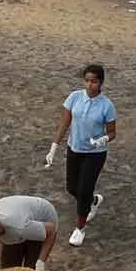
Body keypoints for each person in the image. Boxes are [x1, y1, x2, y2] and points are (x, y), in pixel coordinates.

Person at [45, 64, 116, 247]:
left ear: (101, 82)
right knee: (72, 188)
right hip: (74, 149)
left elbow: (112, 132)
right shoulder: (74, 97)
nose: (90, 85)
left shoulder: (107, 106)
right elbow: (64, 123)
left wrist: (104, 139)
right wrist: (54, 147)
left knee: (84, 190)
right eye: (87, 81)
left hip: (95, 154)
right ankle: (93, 200)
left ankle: (80, 228)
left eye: (94, 81)